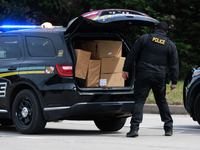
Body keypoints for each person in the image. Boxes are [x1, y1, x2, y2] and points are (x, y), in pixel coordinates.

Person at [122, 21, 179, 137]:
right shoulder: (170, 45)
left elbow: (132, 54)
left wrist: (125, 69)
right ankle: (168, 128)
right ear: (166, 32)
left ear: (155, 28)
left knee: (139, 101)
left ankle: (134, 129)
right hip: (160, 76)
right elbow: (174, 64)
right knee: (161, 101)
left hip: (144, 74)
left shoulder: (144, 38)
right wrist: (174, 81)